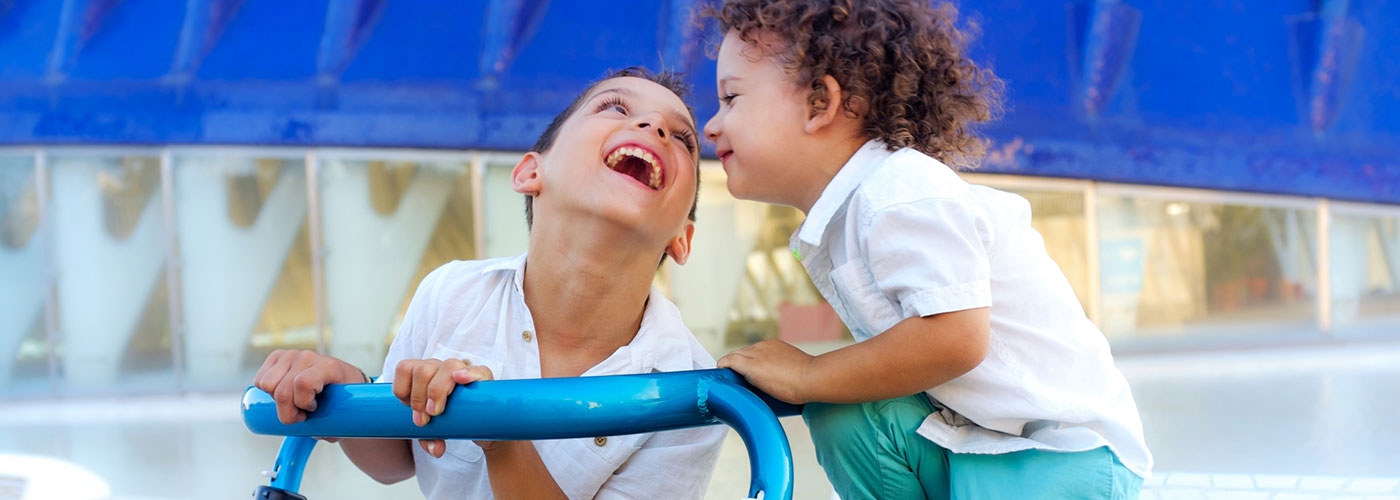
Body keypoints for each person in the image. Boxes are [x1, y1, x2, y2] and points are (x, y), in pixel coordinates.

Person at [700, 1, 1152, 498]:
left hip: (1065, 458)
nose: (711, 125)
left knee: (828, 391)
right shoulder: (851, 213)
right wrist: (815, 385)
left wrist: (807, 373)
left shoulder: (899, 189)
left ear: (817, 104)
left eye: (731, 98)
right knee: (842, 412)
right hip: (980, 447)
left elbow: (955, 338)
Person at [253, 67, 725, 500]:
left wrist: (498, 434)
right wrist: (343, 393)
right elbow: (396, 459)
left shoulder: (691, 388)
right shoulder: (451, 294)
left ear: (681, 239)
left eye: (682, 139)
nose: (655, 129)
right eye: (615, 108)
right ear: (530, 173)